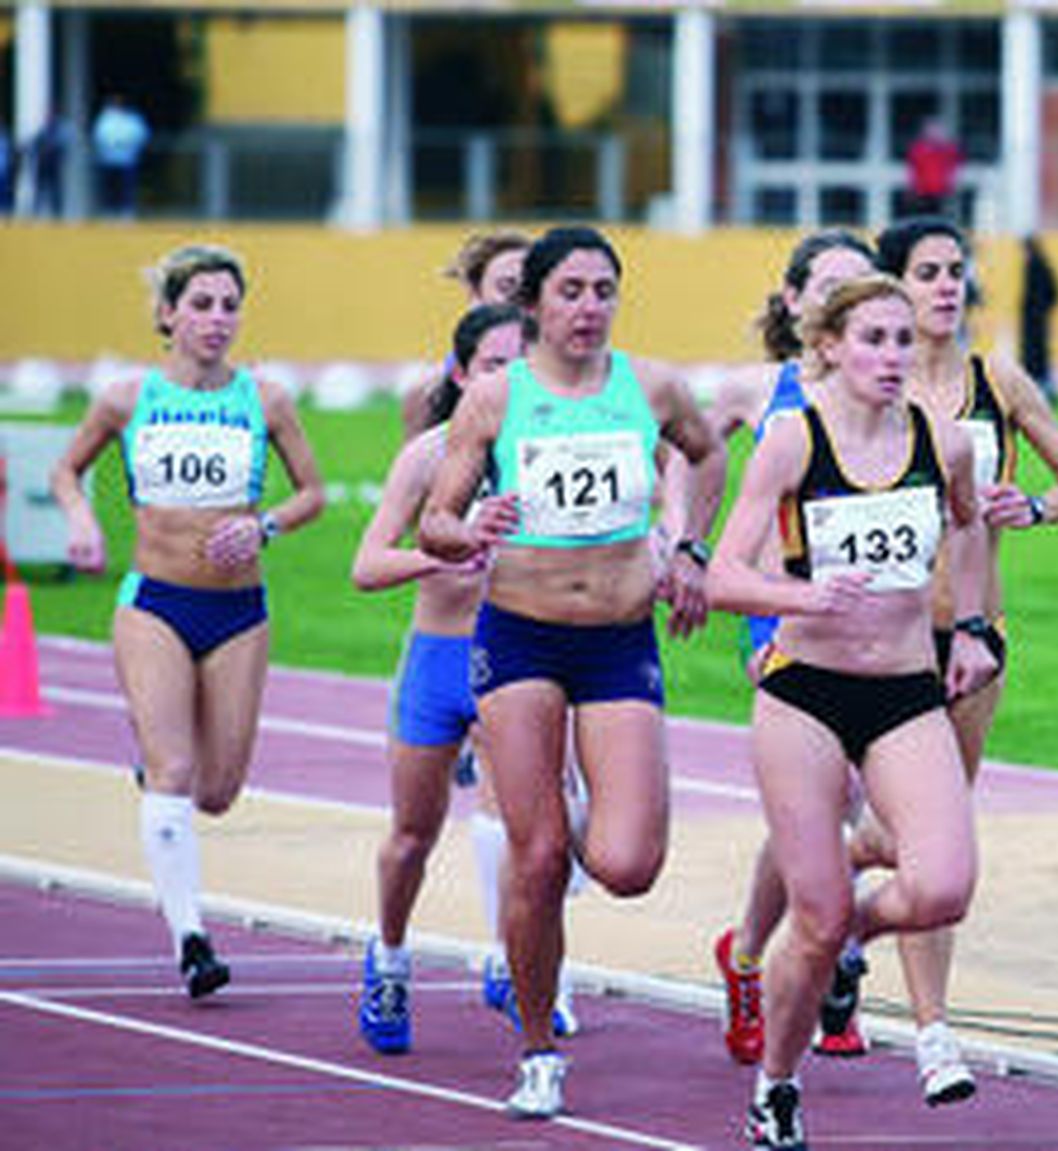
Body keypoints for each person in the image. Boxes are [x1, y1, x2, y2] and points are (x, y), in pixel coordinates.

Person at [418, 225, 725, 1119]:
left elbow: (705, 453)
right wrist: (473, 525)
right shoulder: (493, 398)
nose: (589, 308)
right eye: (572, 291)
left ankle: (580, 799)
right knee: (540, 854)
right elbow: (435, 520)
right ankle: (538, 1049)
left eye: (604, 290)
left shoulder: (651, 385)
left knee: (628, 863)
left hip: (620, 640)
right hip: (519, 637)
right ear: (535, 304)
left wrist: (690, 547)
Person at [706, 273, 995, 1149]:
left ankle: (840, 925)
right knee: (818, 913)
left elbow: (971, 525)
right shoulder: (793, 440)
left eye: (903, 340)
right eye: (873, 339)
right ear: (828, 344)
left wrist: (975, 626)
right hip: (807, 692)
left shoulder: (939, 438)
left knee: (943, 885)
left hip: (906, 688)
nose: (893, 357)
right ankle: (777, 1086)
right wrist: (803, 593)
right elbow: (723, 577)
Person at [845, 216, 1058, 1105]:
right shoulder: (863, 383)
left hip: (973, 640)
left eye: (957, 271)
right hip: (882, 642)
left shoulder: (1000, 381)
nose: (948, 287)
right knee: (925, 840)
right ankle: (932, 1035)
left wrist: (1031, 504)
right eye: (928, 272)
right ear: (890, 287)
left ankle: (840, 903)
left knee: (923, 835)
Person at [50, 244, 325, 998]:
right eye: (201, 304)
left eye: (229, 305)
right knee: (175, 772)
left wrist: (264, 526)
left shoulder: (265, 399)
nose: (217, 319)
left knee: (217, 790)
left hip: (237, 610)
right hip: (155, 603)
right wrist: (81, 520)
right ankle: (191, 940)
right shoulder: (124, 397)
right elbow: (66, 468)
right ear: (167, 313)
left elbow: (313, 493)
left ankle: (159, 774)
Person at [351, 303, 578, 1055]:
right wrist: (442, 555)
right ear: (461, 373)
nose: (508, 381)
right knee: (412, 836)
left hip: (511, 659)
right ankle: (387, 955)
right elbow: (366, 565)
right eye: (492, 366)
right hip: (435, 660)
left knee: (528, 830)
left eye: (521, 366)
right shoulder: (427, 456)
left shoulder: (549, 446)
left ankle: (512, 965)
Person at [693, 229, 878, 1068]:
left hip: (872, 621)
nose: (845, 299)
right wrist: (684, 544)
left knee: (852, 806)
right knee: (831, 792)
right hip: (780, 617)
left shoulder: (886, 392)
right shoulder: (756, 389)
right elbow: (689, 450)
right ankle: (804, 959)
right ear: (796, 300)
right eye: (830, 286)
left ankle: (769, 942)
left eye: (862, 285)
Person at [401, 230, 535, 442]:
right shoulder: (427, 395)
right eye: (506, 288)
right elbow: (417, 471)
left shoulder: (581, 381)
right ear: (474, 294)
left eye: (530, 289)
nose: (519, 301)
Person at [91, 94, 150, 220]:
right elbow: (99, 136)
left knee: (126, 188)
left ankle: (126, 212)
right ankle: (109, 212)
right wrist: (109, 146)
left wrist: (128, 145)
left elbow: (141, 135)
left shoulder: (133, 119)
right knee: (109, 188)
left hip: (127, 159)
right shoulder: (105, 118)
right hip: (108, 159)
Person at [1020, 234, 1058, 401]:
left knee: (1036, 358)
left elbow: (1053, 293)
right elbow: (1055, 293)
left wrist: (1039, 310)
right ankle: (1042, 391)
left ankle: (1040, 393)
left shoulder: (1035, 266)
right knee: (1040, 358)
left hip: (1035, 322)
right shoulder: (1042, 265)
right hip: (1037, 320)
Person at [904, 117, 963, 219]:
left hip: (943, 192)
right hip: (923, 193)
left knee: (943, 219)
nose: (935, 133)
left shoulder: (948, 150)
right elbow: (914, 170)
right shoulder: (919, 149)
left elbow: (957, 163)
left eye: (937, 130)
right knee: (924, 219)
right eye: (932, 130)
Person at [26, 111, 71, 219]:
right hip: (43, 166)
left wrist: (61, 159)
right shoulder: (41, 133)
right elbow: (32, 147)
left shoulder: (59, 134)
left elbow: (64, 150)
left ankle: (57, 213)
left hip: (53, 166)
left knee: (55, 191)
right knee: (40, 190)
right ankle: (35, 212)